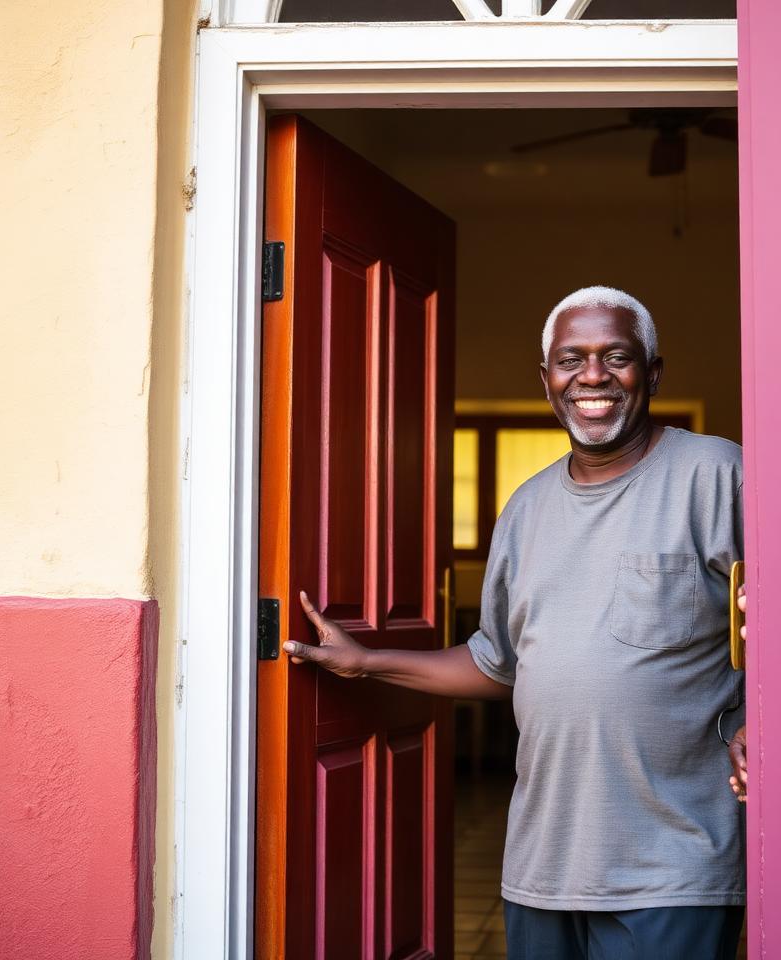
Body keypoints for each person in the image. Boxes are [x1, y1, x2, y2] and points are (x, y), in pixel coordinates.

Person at [283, 285, 748, 959]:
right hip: (542, 866)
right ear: (548, 379)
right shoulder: (526, 509)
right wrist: (366, 661)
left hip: (674, 867)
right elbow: (496, 661)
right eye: (571, 359)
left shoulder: (715, 475)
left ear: (652, 372)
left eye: (616, 356)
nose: (592, 376)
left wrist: (756, 722)